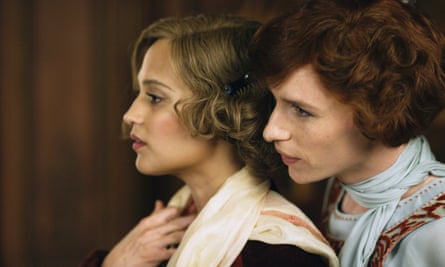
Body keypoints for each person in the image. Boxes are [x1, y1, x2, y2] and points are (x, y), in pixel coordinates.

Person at [79, 14, 338, 267]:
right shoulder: (170, 229)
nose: (130, 115)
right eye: (140, 93)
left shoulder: (274, 255)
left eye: (155, 97)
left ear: (220, 111)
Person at [248, 0, 445, 266]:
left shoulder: (436, 234)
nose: (271, 131)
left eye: (302, 111)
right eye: (275, 101)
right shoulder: (344, 181)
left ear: (381, 111)